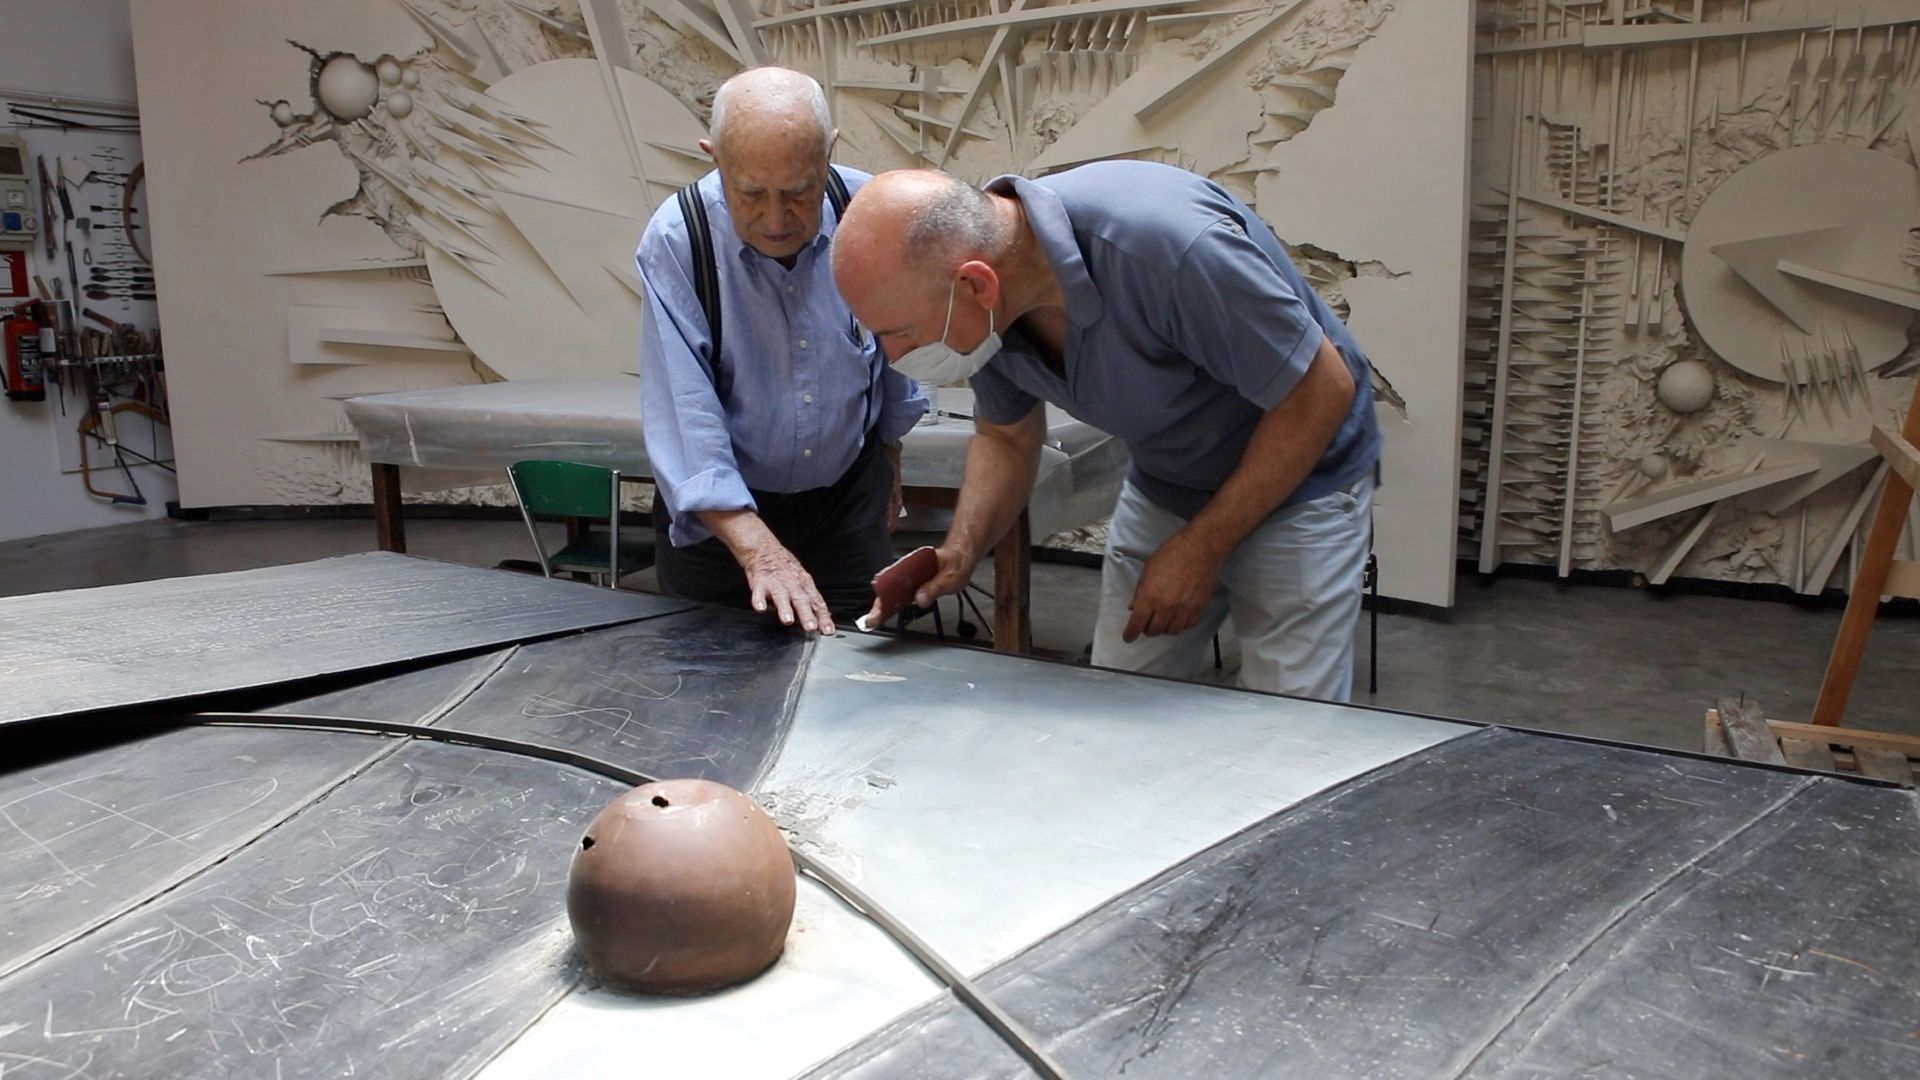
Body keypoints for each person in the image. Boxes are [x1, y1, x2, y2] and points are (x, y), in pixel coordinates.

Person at [831, 163, 1381, 699]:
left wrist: (1202, 547)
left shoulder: (1166, 247)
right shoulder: (986, 311)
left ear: (978, 284)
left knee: (1288, 725)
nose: (892, 355)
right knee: (1117, 698)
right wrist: (961, 551)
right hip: (1170, 479)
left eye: (900, 332)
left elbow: (1321, 391)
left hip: (1304, 479)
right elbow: (1007, 437)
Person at [638, 68, 925, 634]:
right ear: (714, 157)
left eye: (799, 192)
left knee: (854, 679)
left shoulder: (871, 214)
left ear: (828, 153)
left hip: (846, 510)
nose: (774, 220)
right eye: (750, 193)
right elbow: (686, 418)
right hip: (722, 526)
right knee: (713, 685)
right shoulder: (678, 240)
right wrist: (760, 553)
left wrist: (889, 453)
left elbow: (895, 352)